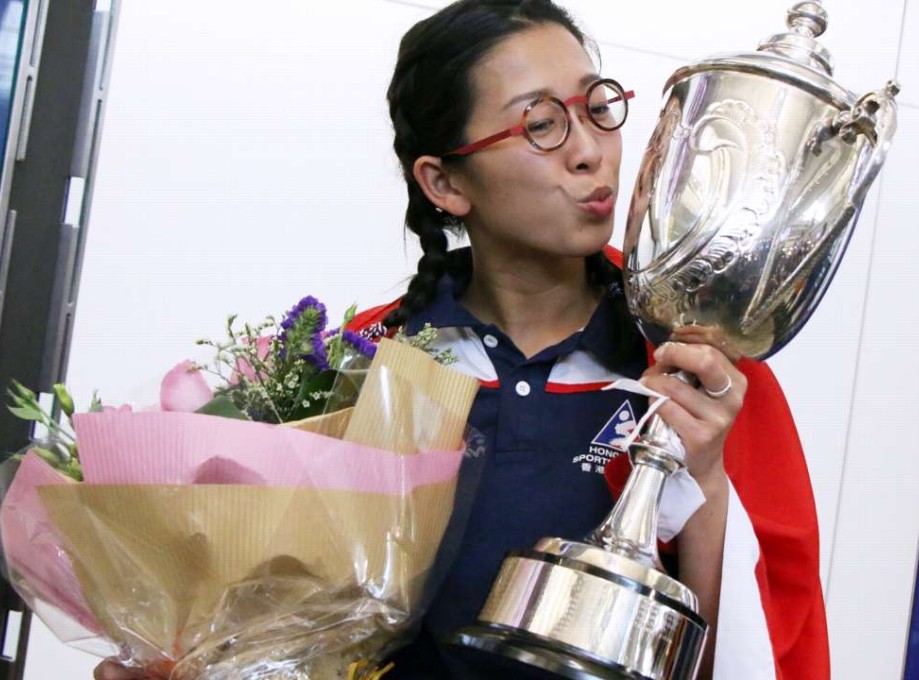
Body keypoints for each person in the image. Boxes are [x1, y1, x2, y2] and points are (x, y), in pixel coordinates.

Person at [96, 1, 828, 678]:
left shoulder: (701, 376)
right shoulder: (358, 367)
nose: (591, 152)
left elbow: (769, 649)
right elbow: (275, 625)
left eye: (597, 109)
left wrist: (704, 481)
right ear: (444, 183)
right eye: (541, 123)